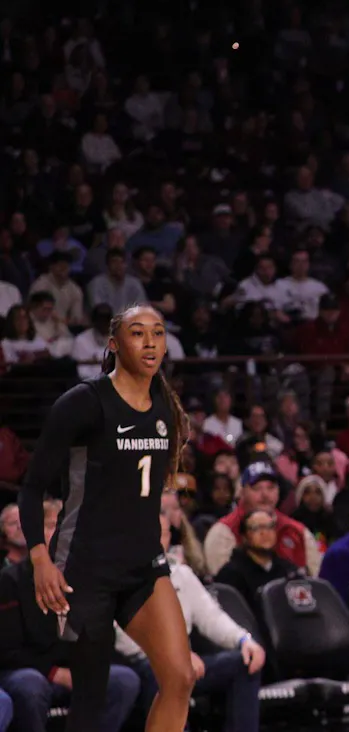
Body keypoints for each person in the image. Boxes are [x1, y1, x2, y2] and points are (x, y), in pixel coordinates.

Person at [16, 305, 195, 732]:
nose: (150, 342)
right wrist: (41, 559)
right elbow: (31, 487)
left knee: (180, 677)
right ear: (114, 344)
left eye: (158, 332)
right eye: (138, 333)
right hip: (85, 569)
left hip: (143, 565)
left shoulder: (165, 406)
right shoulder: (83, 402)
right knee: (92, 703)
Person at [116, 513, 265, 732]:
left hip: (185, 659)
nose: (156, 540)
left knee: (245, 664)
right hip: (138, 662)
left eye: (162, 534)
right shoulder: (119, 577)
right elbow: (121, 637)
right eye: (150, 533)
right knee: (169, 672)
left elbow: (212, 617)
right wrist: (174, 655)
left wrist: (244, 639)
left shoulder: (181, 574)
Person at [0, 502, 141, 732]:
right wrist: (54, 672)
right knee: (30, 685)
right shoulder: (10, 581)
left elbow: (103, 635)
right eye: (50, 526)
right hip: (27, 670)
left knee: (123, 679)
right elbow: (7, 650)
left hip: (75, 669)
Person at [203, 461, 320, 576]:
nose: (265, 494)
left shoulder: (297, 531)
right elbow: (223, 586)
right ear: (242, 492)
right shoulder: (223, 532)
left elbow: (316, 579)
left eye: (271, 488)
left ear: (278, 491)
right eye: (257, 488)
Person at [210, 508, 301, 605]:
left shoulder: (288, 570)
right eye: (256, 528)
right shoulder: (231, 574)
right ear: (244, 538)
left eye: (270, 527)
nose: (265, 533)